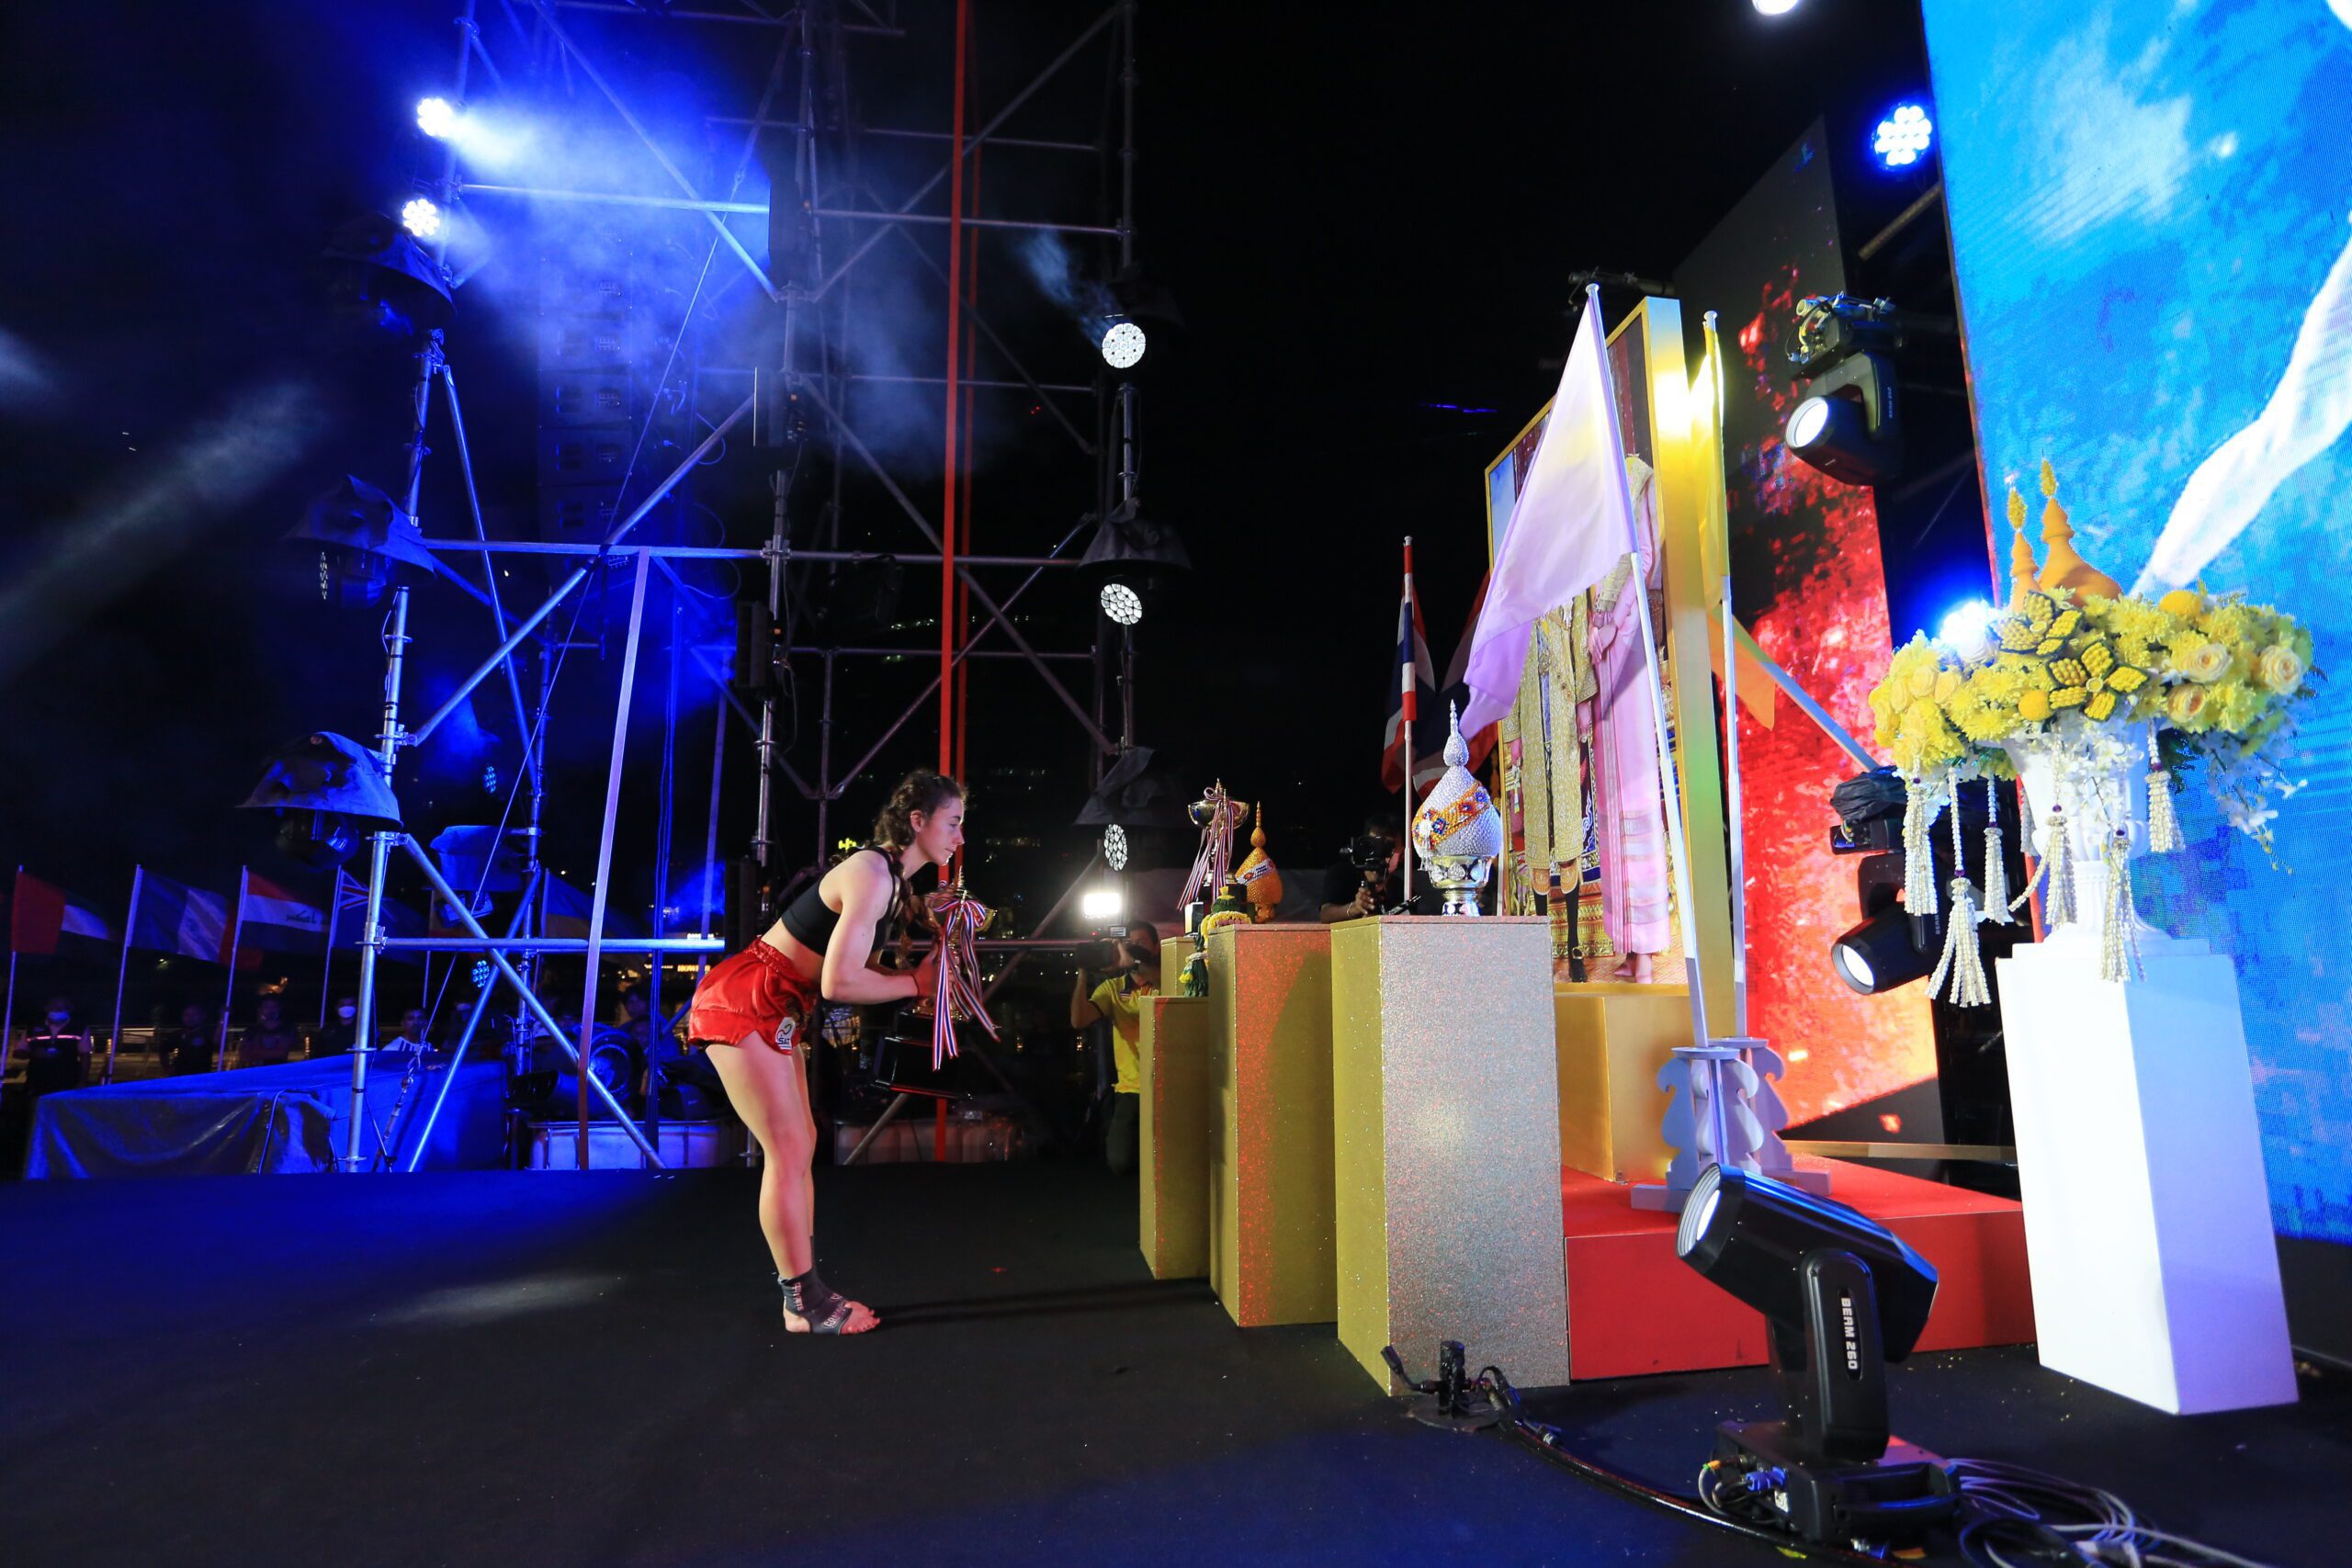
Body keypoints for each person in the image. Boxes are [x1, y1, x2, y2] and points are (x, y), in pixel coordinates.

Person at [681, 768, 957, 1336]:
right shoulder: (873, 875)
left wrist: (915, 980)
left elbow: (847, 973)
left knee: (799, 1143)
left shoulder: (890, 882)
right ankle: (802, 1304)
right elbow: (838, 982)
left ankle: (806, 1291)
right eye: (952, 822)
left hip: (777, 1003)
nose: (959, 836)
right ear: (917, 821)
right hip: (748, 999)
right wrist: (915, 983)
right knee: (787, 1148)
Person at [1069, 923, 1162, 1174]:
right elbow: (1078, 1020)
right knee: (1120, 1162)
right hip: (1131, 1088)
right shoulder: (1113, 988)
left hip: (1168, 1086)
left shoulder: (1166, 977)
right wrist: (1083, 972)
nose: (1132, 947)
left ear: (1156, 947)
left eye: (1141, 942)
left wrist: (1134, 964)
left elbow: (1170, 984)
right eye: (1128, 942)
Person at [23, 996, 91, 1100]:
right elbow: (18, 1052)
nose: (57, 1011)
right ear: (46, 1008)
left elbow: (85, 1056)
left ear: (69, 1009)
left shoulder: (79, 1027)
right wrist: (33, 1053)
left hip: (67, 1079)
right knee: (37, 1107)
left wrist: (82, 1081)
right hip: (37, 1079)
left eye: (61, 1008)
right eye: (54, 1008)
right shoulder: (33, 1028)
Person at [237, 996, 303, 1069]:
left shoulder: (287, 1029)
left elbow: (282, 1052)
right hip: (257, 1071)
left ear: (279, 1009)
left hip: (280, 1070)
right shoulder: (251, 1031)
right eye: (267, 1007)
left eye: (274, 1007)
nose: (271, 1010)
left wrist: (255, 1052)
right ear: (260, 1010)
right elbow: (244, 1055)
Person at [163, 1002, 219, 1076]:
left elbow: (217, 1041)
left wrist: (223, 1018)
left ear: (203, 1016)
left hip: (201, 1075)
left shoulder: (207, 1033)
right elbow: (163, 1050)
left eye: (195, 1014)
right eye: (187, 1015)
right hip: (180, 1075)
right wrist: (167, 1067)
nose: (190, 1018)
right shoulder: (178, 1034)